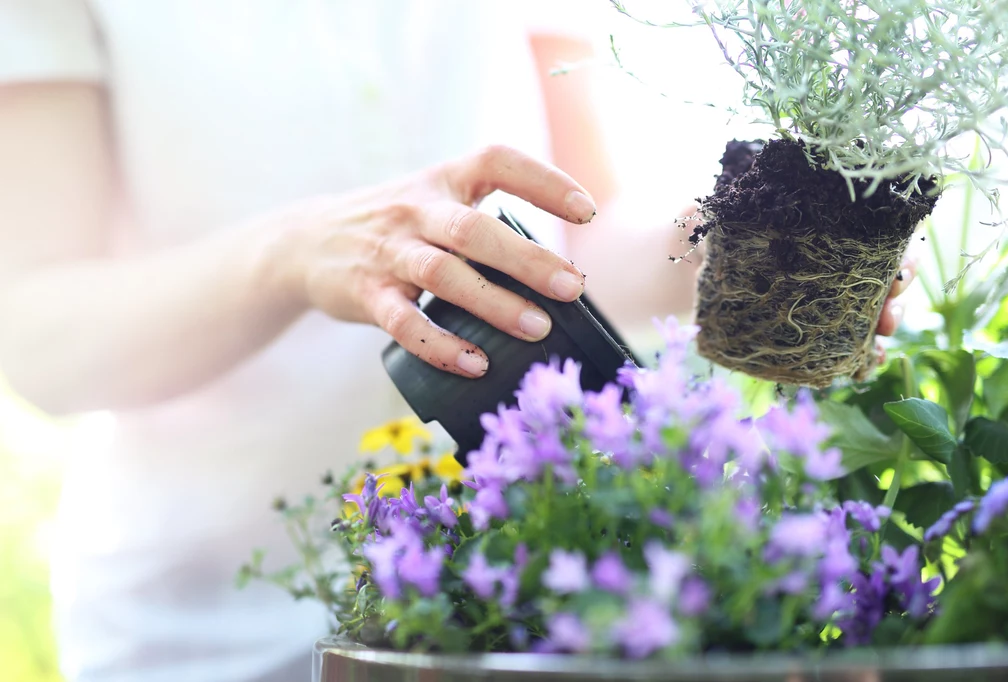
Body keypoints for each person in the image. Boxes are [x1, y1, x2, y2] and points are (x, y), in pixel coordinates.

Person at [0, 2, 911, 681]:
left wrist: (748, 244)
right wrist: (291, 251)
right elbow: (41, 333)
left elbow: (575, 238)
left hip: (511, 615)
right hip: (202, 635)